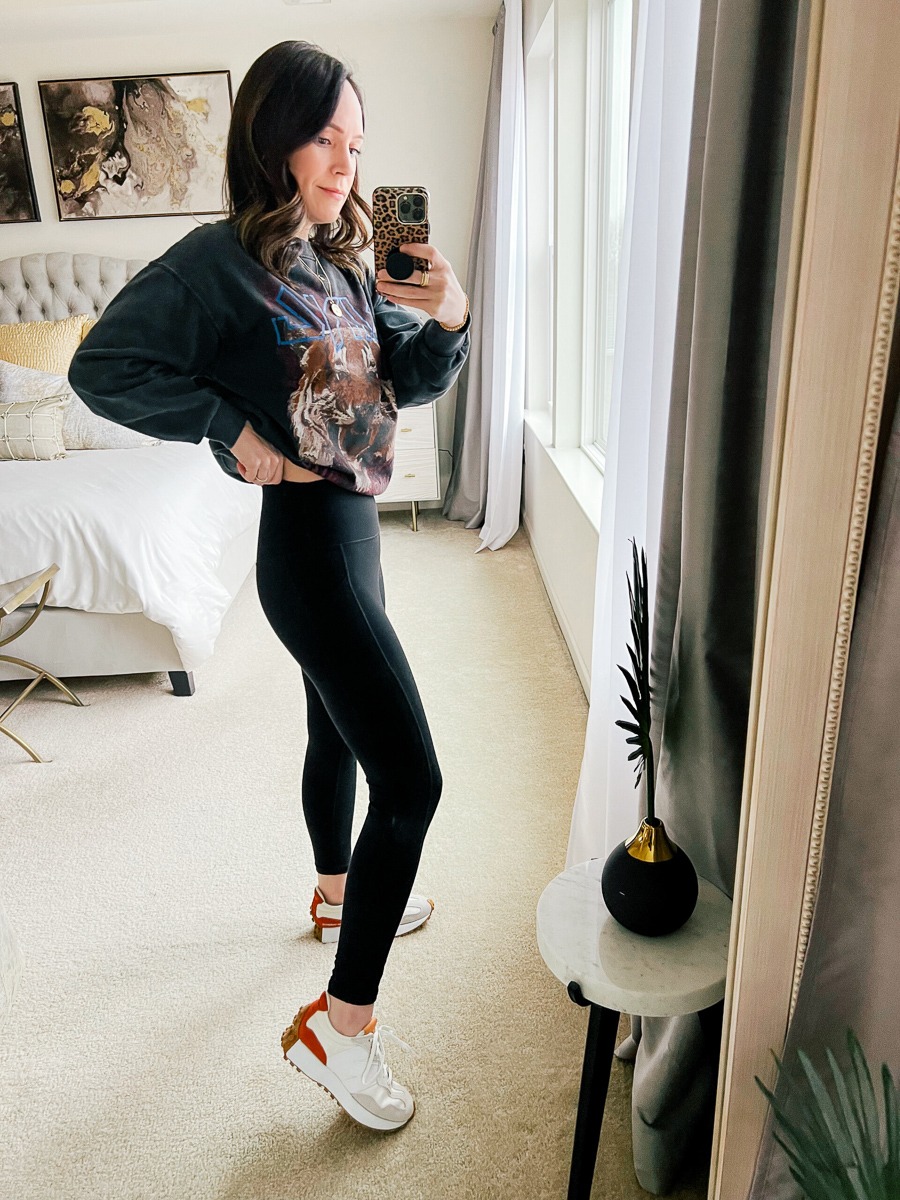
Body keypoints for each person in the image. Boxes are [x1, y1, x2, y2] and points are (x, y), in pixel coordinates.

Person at [67, 39, 471, 1133]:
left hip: (355, 534)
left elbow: (402, 382)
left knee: (335, 730)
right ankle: (342, 1029)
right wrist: (227, 427)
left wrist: (450, 315)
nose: (344, 163)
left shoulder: (342, 260)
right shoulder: (218, 262)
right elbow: (101, 368)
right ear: (273, 136)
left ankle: (336, 897)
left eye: (356, 143)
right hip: (307, 552)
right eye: (323, 137)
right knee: (415, 784)